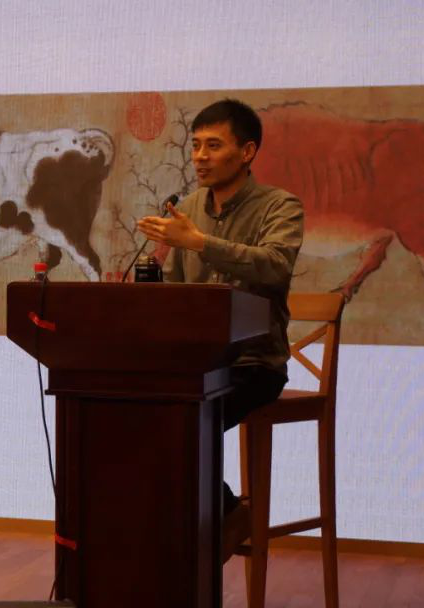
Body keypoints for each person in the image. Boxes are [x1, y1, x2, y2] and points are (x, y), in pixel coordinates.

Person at [136, 98, 304, 561]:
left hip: (254, 363)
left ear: (246, 152)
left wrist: (200, 242)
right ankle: (216, 517)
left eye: (213, 146)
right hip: (196, 363)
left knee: (184, 419)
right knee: (135, 412)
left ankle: (217, 522)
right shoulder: (188, 207)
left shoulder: (280, 206)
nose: (200, 157)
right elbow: (177, 292)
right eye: (195, 146)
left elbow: (275, 266)